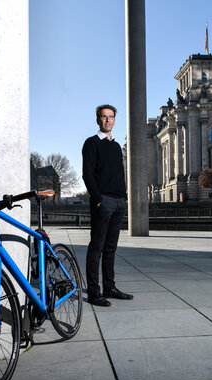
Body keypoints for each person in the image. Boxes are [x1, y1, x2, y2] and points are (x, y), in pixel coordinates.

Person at [81, 104, 134, 307]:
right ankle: (94, 293)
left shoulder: (115, 146)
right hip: (103, 201)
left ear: (114, 120)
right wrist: (97, 198)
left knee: (111, 248)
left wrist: (124, 197)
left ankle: (109, 288)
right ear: (98, 120)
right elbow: (87, 173)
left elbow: (118, 174)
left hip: (119, 201)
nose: (107, 120)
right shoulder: (91, 143)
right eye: (104, 117)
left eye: (111, 117)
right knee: (97, 247)